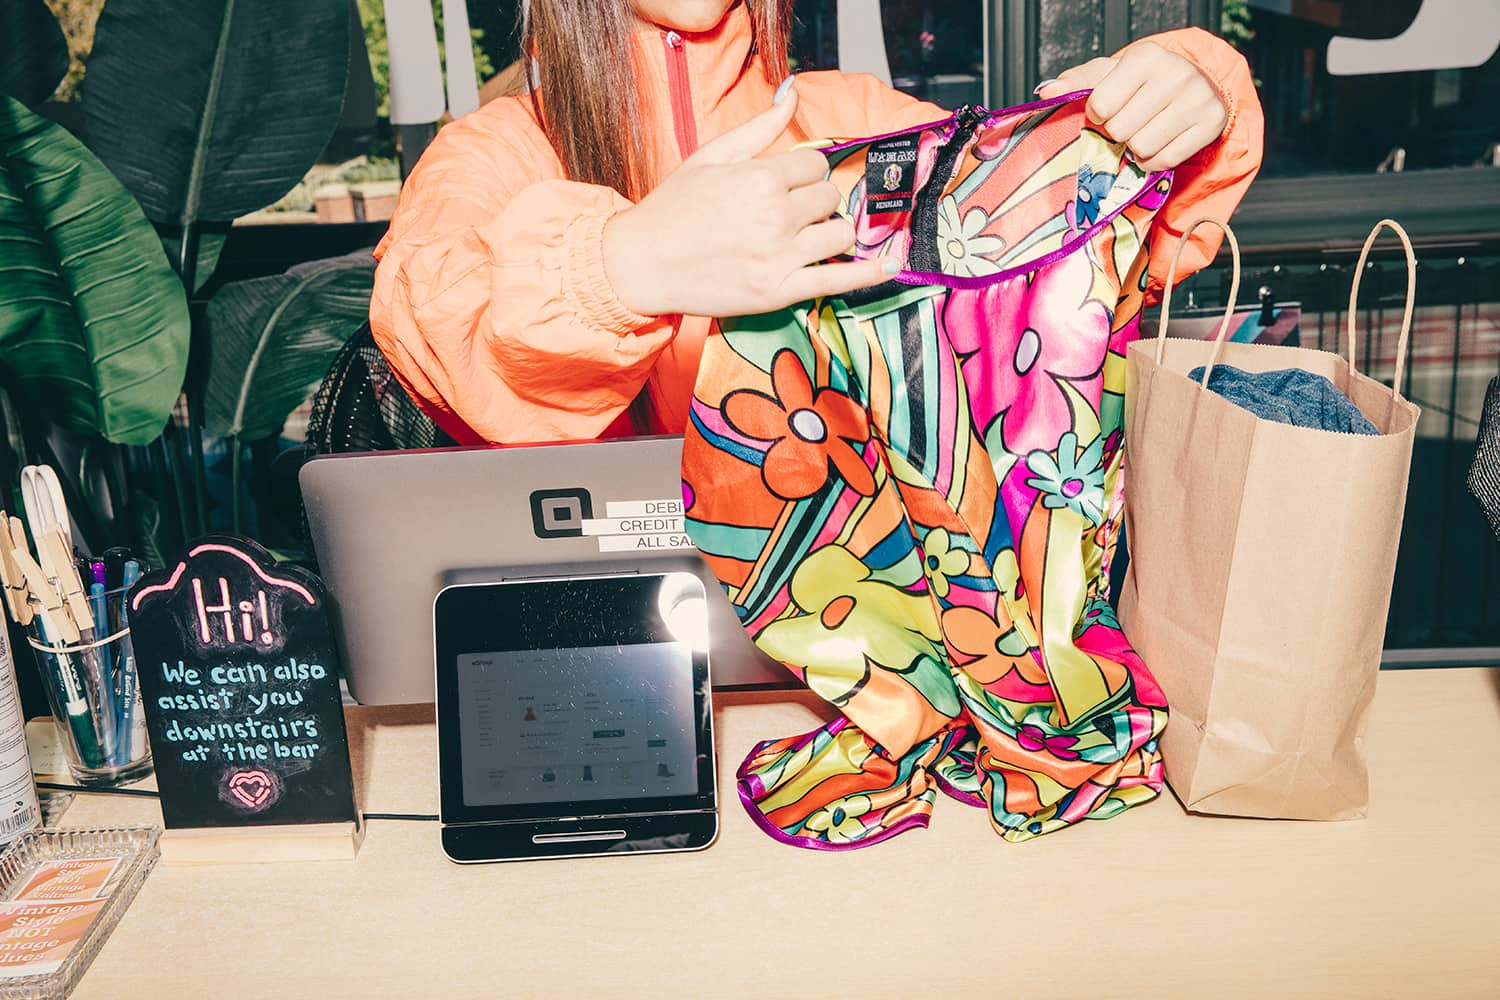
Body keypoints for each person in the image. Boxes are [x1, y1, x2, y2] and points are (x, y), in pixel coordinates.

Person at [370, 0, 1262, 446]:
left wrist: (1188, 92)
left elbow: (1087, 265)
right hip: (598, 648)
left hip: (863, 645)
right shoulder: (494, 152)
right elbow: (432, 330)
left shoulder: (859, 119)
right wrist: (618, 267)